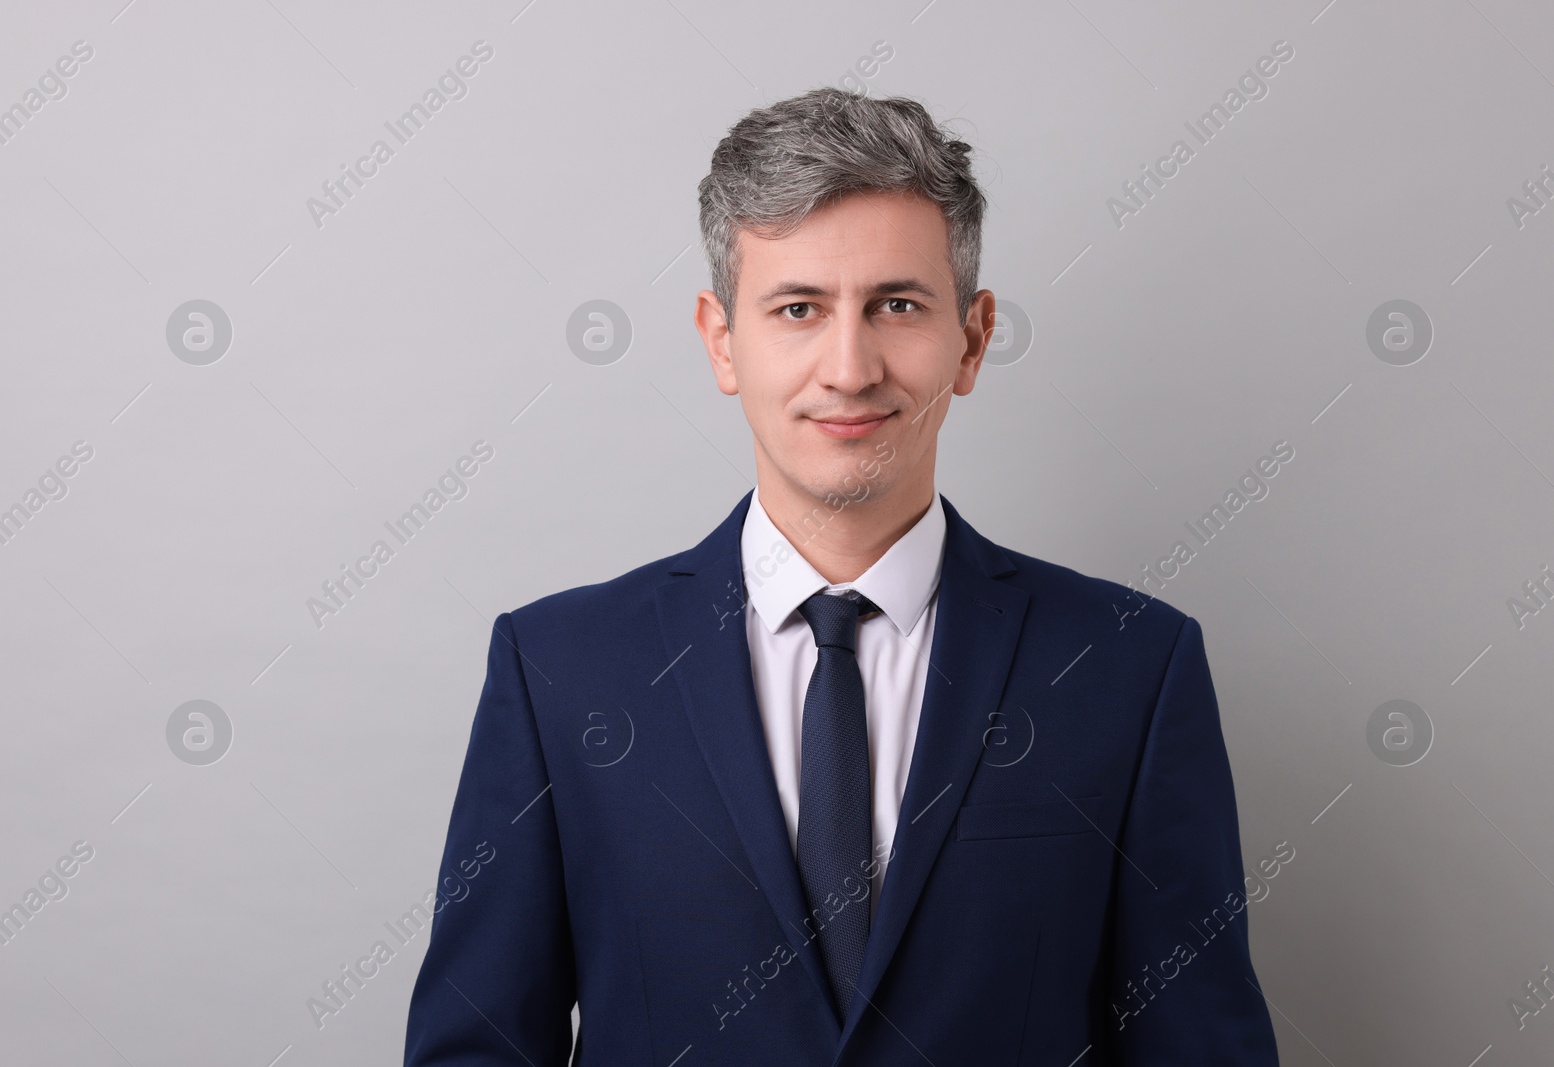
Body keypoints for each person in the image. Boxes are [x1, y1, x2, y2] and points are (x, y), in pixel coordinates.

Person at [403, 86, 1279, 1065]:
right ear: (721, 339)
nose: (850, 366)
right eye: (797, 309)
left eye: (896, 305)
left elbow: (1200, 1046)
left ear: (973, 338)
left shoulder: (1132, 669)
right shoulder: (559, 670)